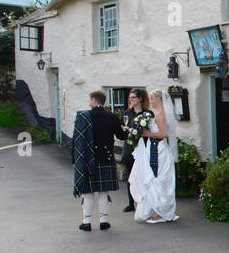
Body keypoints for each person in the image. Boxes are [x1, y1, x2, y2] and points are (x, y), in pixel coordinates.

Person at [71, 90, 129, 231]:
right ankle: (104, 221)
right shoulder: (112, 117)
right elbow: (122, 136)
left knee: (88, 192)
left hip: (87, 159)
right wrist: (127, 129)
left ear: (94, 101)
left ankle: (86, 222)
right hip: (106, 158)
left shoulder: (83, 117)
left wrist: (75, 159)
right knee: (103, 192)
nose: (89, 102)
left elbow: (76, 141)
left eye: (90, 100)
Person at [128, 90, 179, 224]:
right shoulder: (158, 113)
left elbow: (163, 134)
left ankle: (163, 212)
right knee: (156, 177)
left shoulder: (161, 114)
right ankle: (159, 210)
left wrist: (147, 134)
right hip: (154, 147)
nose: (150, 102)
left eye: (152, 99)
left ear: (158, 99)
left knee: (158, 178)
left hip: (159, 148)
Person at [120, 88, 150, 212]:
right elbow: (121, 127)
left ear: (140, 99)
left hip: (142, 145)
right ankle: (131, 203)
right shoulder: (127, 113)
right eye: (130, 97)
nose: (130, 99)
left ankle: (144, 201)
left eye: (133, 97)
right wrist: (124, 129)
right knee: (131, 173)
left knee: (143, 174)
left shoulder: (147, 114)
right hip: (129, 145)